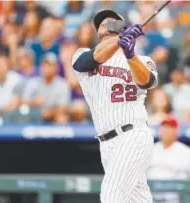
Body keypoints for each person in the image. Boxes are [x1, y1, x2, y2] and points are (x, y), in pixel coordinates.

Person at [71, 10, 158, 203]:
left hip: (133, 134)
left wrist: (130, 55)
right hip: (106, 143)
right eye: (101, 23)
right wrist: (119, 39)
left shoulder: (143, 60)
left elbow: (147, 82)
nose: (105, 23)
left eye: (112, 22)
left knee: (111, 195)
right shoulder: (82, 54)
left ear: (123, 26)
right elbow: (89, 61)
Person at [147, 115, 190, 203]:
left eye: (170, 128)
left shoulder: (187, 153)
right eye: (164, 127)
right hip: (152, 199)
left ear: (176, 132)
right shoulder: (150, 150)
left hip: (175, 200)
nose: (166, 130)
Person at [23, 53, 70, 123]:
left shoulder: (62, 84)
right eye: (44, 65)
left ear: (56, 68)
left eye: (50, 65)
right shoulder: (33, 82)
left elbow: (63, 107)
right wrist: (33, 102)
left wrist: (49, 113)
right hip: (35, 116)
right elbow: (23, 102)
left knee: (62, 118)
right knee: (24, 115)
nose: (46, 68)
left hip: (54, 117)